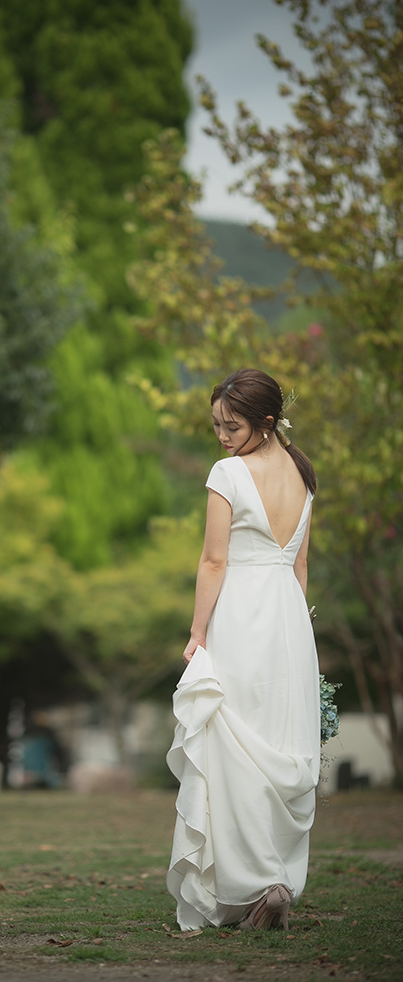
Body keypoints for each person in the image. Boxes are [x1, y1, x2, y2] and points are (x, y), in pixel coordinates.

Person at [166, 368, 320, 932]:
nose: (222, 437)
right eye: (216, 427)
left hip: (240, 616)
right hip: (288, 621)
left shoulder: (227, 473)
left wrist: (197, 632)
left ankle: (258, 882)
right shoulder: (304, 473)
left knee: (236, 750)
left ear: (266, 422)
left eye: (231, 426)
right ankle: (275, 881)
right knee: (279, 745)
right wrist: (297, 637)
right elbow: (300, 565)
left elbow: (213, 560)